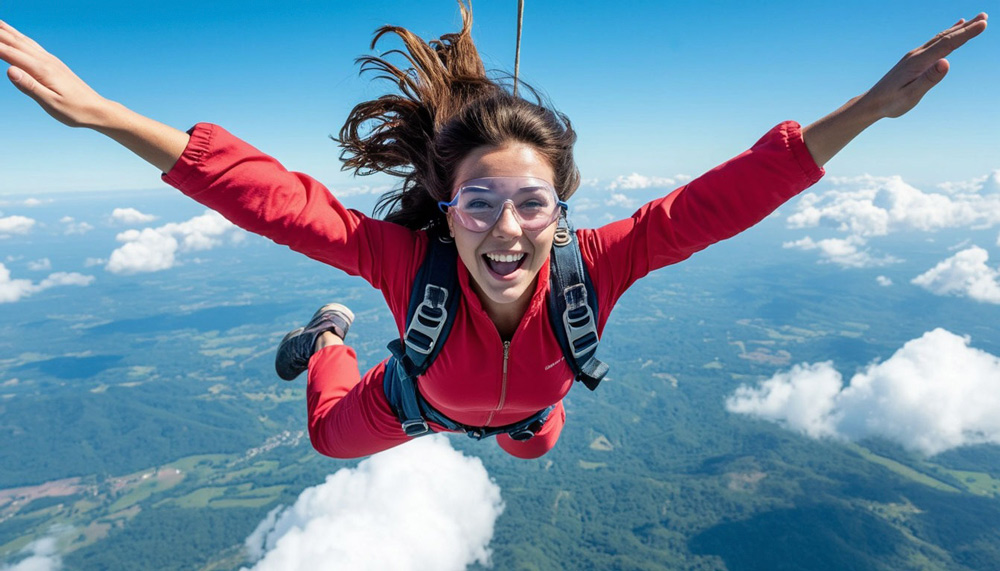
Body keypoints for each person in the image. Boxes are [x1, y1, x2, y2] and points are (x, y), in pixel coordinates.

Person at [0, 5, 987, 460]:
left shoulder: (594, 265)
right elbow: (273, 197)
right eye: (478, 204)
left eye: (530, 204)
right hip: (413, 401)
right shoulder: (407, 263)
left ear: (560, 209)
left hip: (522, 414)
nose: (506, 230)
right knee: (328, 444)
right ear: (446, 207)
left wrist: (866, 110)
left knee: (533, 441)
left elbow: (723, 197)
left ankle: (518, 426)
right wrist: (108, 116)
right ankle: (330, 339)